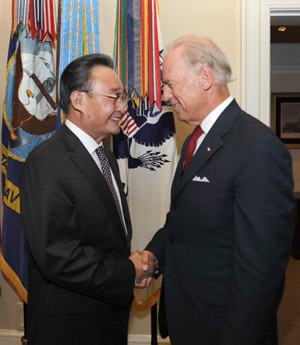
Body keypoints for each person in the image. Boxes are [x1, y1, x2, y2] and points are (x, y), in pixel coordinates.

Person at [140, 35, 295, 345]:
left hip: (226, 329)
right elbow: (184, 218)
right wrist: (155, 255)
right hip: (189, 318)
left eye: (170, 84)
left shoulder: (258, 148)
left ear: (205, 78)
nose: (165, 96)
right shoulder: (192, 142)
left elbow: (262, 272)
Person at [20, 54, 152, 345]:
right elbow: (58, 256)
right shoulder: (47, 163)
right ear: (78, 100)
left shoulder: (105, 156)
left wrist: (127, 272)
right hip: (70, 328)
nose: (122, 107)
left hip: (108, 317)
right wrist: (127, 271)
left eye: (123, 98)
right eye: (114, 97)